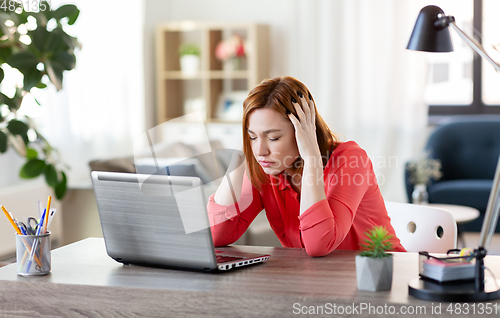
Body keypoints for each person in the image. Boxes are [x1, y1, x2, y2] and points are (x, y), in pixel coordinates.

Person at [207, 76, 405, 256]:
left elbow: (319, 245)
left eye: (274, 137)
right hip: (317, 281)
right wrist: (240, 155)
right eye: (252, 136)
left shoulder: (351, 160)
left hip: (382, 277)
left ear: (303, 131)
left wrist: (311, 158)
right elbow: (217, 235)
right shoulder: (266, 167)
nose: (260, 151)